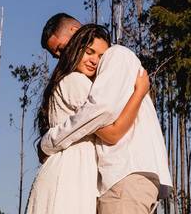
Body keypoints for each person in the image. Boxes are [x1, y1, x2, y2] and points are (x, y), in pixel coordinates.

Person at [26, 24, 151, 214]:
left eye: (101, 57)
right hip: (67, 175)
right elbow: (112, 130)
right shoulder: (76, 81)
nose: (94, 61)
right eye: (89, 52)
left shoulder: (77, 82)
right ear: (77, 48)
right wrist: (139, 92)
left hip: (76, 175)